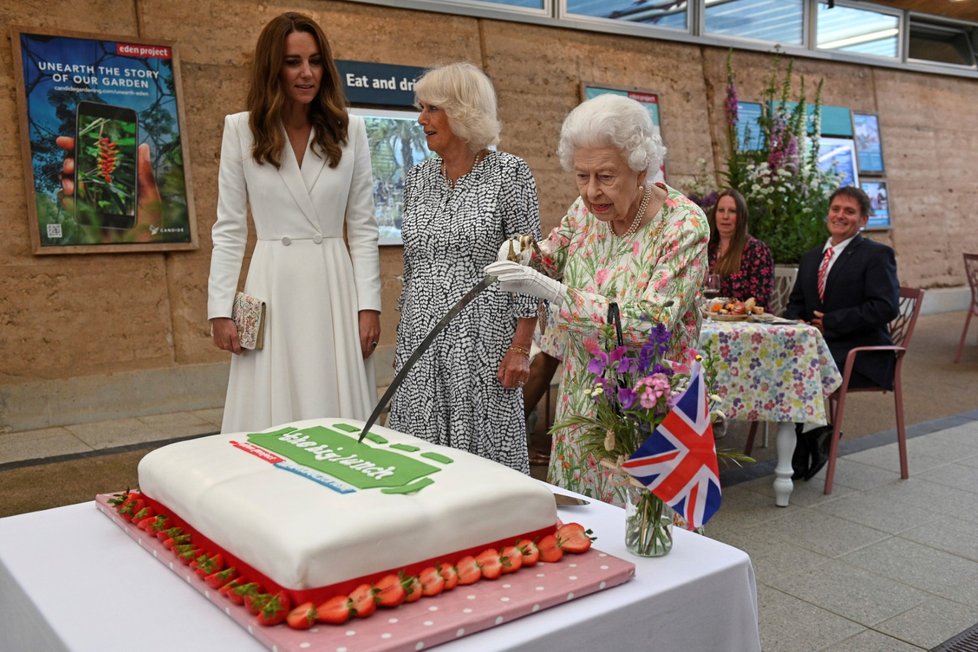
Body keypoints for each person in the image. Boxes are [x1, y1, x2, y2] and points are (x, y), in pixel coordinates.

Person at [487, 93, 709, 506]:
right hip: (582, 398)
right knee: (583, 524)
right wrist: (518, 251)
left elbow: (651, 322)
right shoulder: (585, 210)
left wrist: (555, 293)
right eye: (581, 176)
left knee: (647, 533)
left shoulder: (683, 224)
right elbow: (550, 255)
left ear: (640, 167)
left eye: (605, 176)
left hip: (647, 403)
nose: (591, 192)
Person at [207, 12, 381, 433]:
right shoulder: (241, 130)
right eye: (293, 62)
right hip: (272, 284)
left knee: (335, 406)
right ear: (272, 68)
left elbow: (362, 227)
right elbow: (229, 228)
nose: (307, 73)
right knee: (271, 413)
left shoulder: (349, 130)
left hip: (333, 286)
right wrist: (220, 308)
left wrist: (368, 305)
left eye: (316, 61)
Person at [387, 62, 541, 474]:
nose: (422, 119)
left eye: (432, 109)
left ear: (463, 111)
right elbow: (413, 261)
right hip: (421, 339)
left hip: (483, 343)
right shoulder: (418, 178)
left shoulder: (510, 174)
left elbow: (527, 263)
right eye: (422, 109)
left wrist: (522, 347)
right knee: (420, 461)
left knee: (482, 466)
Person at [784, 186, 899, 480]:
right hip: (817, 351)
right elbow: (796, 304)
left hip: (860, 354)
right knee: (779, 362)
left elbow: (885, 307)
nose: (840, 215)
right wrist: (800, 322)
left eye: (849, 211)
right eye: (836, 209)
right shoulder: (812, 258)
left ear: (863, 220)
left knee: (798, 370)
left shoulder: (876, 255)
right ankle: (812, 436)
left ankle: (802, 448)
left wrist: (832, 322)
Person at [707, 188, 774, 307]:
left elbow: (760, 298)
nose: (725, 216)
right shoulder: (708, 248)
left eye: (732, 211)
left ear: (741, 216)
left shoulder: (756, 250)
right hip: (711, 318)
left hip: (748, 321)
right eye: (721, 210)